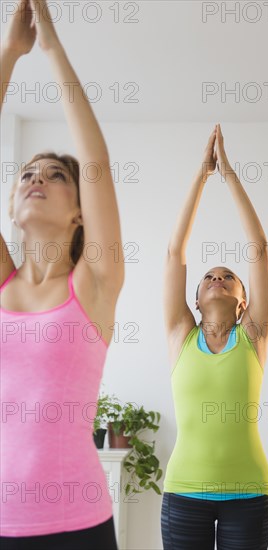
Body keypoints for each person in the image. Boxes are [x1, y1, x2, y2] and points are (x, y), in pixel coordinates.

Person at [0, 1, 124, 548]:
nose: (37, 179)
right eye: (27, 173)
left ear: (81, 212)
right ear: (11, 202)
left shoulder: (92, 285)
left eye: (55, 175)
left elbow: (95, 161)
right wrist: (7, 54)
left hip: (77, 525)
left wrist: (52, 52)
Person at [161, 124, 268, 550]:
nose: (218, 279)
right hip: (184, 492)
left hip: (249, 494)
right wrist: (201, 176)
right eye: (209, 276)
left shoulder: (254, 336)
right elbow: (175, 251)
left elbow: (259, 248)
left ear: (243, 302)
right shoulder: (179, 335)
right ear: (195, 297)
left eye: (228, 277)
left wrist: (229, 175)